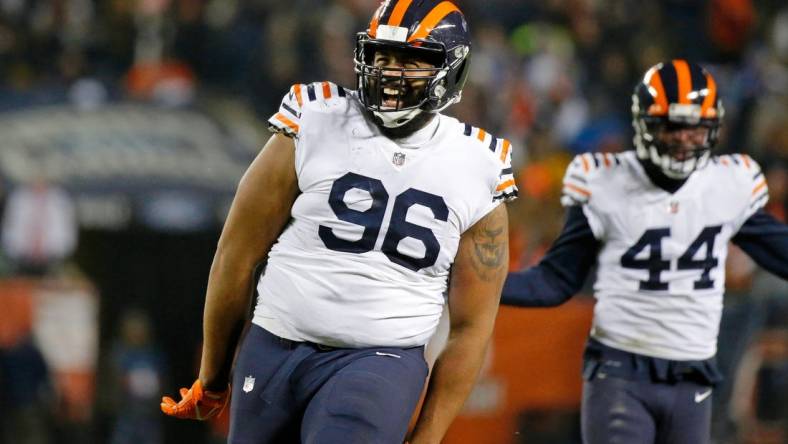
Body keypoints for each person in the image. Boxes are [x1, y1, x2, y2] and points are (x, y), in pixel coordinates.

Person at [160, 1, 518, 443]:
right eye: (383, 57)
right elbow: (236, 254)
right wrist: (213, 377)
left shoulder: (479, 166)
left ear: (452, 69)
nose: (391, 73)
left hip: (380, 361)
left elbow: (471, 327)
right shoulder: (314, 118)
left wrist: (426, 437)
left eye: (411, 60)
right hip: (274, 346)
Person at [501, 60, 788, 444]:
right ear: (646, 124)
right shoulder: (604, 181)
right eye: (673, 125)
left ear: (713, 127)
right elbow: (556, 280)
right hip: (620, 371)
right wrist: (482, 285)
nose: (685, 138)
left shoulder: (729, 184)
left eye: (695, 127)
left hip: (693, 375)